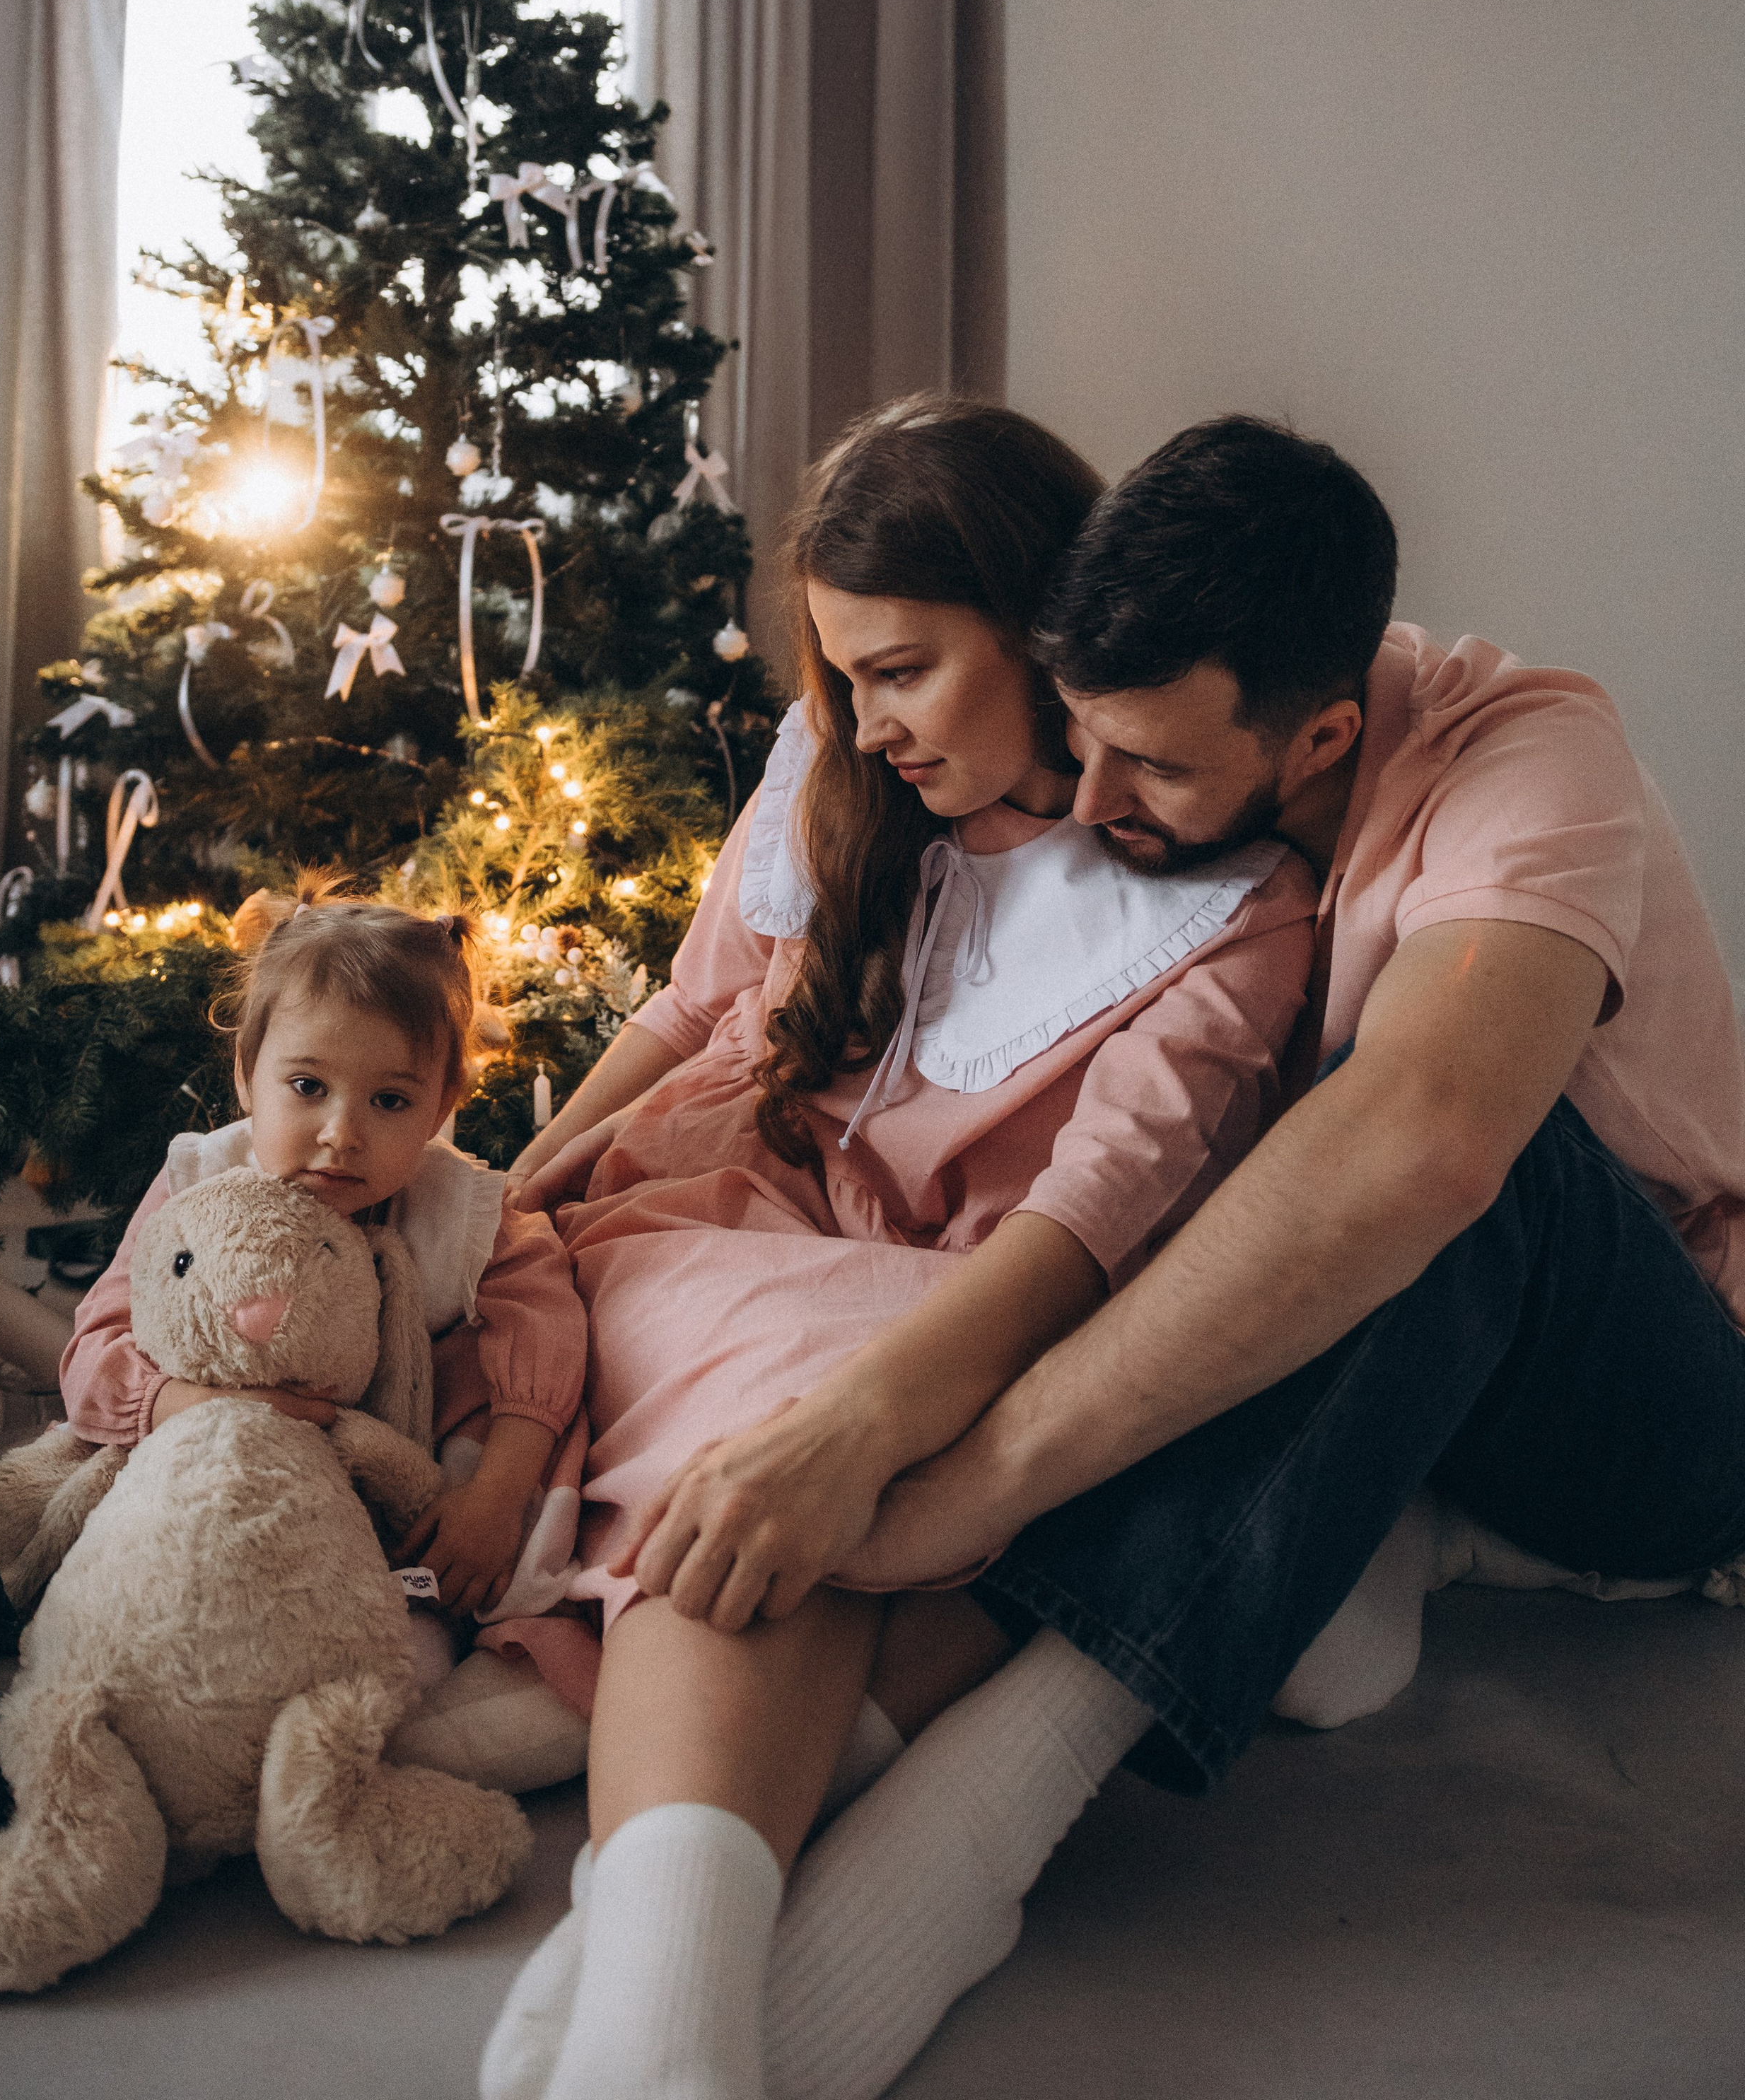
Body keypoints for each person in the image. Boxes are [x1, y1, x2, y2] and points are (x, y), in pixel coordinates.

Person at [667, 412, 1745, 2100]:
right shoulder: (1149, 736)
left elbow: (1417, 1143)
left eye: (1152, 772)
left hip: (1655, 1407)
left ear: (1319, 735)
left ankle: (986, 1810)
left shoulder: (1529, 762)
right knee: (1215, 1213)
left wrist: (975, 1478)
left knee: (1446, 1154)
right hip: (1387, 1377)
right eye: (1080, 744)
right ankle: (719, 1855)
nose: (1093, 807)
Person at [480, 396, 1317, 2100]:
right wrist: (516, 1187)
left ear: (1038, 629)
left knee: (806, 1449)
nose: (865, 723)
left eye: (905, 672)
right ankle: (669, 1993)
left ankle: (653, 1991)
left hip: (958, 1301)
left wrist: (859, 1414)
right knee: (753, 1423)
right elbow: (693, 1007)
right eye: (844, 676)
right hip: (723, 1206)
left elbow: (1082, 1228)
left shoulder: (1227, 910)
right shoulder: (840, 769)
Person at [59, 884, 588, 1649]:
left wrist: (495, 1498)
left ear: (442, 1106)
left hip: (396, 1503)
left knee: (422, 1636)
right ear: (247, 1075)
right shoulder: (198, 1183)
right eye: (308, 1088)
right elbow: (93, 1352)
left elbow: (547, 1333)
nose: (341, 1133)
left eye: (391, 1101)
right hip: (218, 1477)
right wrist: (200, 1405)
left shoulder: (465, 1210)